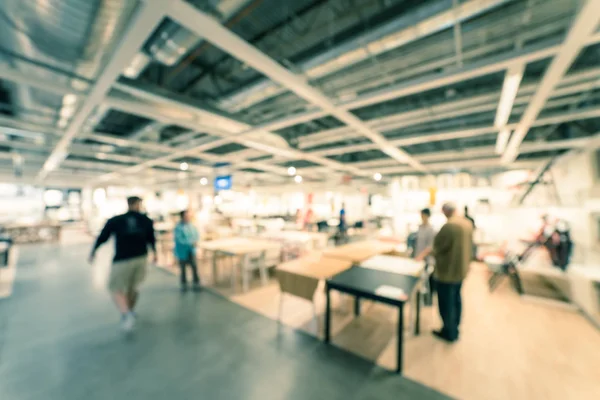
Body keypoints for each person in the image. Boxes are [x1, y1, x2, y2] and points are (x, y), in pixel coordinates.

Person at [89, 196, 156, 333]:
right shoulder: (145, 220)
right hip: (141, 257)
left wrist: (94, 250)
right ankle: (129, 311)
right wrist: (155, 253)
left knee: (115, 287)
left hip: (122, 259)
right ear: (138, 204)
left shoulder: (116, 220)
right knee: (133, 287)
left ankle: (126, 314)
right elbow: (151, 239)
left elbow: (103, 236)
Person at [431, 202, 473, 343]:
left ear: (446, 211)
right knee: (456, 299)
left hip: (447, 272)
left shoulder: (449, 226)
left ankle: (448, 332)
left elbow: (437, 247)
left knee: (446, 303)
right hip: (460, 270)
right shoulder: (467, 223)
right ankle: (455, 328)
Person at [414, 208, 437, 305]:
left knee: (428, 281)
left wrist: (421, 255)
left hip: (427, 260)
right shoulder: (420, 228)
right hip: (419, 258)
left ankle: (428, 301)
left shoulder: (431, 230)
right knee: (420, 282)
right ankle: (420, 299)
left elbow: (430, 247)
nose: (422, 217)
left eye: (423, 215)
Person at [174, 210, 201, 292]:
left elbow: (196, 235)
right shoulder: (178, 227)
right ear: (182, 217)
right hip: (182, 251)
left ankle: (196, 284)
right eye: (186, 216)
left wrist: (195, 242)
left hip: (191, 250)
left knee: (194, 267)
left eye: (189, 216)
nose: (188, 218)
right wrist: (190, 243)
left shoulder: (192, 226)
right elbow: (179, 239)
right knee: (183, 269)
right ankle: (184, 285)